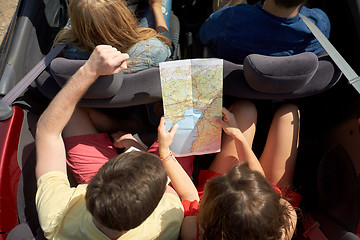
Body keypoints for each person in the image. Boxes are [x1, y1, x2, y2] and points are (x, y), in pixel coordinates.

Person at [35, 45, 184, 240]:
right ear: (150, 212)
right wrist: (138, 149)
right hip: (154, 165)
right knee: (182, 118)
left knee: (70, 111)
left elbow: (47, 132)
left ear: (94, 183)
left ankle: (124, 124)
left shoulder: (57, 218)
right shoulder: (169, 220)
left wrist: (89, 70)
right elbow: (170, 190)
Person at [157, 100, 301, 239]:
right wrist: (238, 137)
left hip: (241, 198)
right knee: (288, 113)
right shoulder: (285, 222)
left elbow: (190, 194)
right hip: (262, 199)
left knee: (248, 109)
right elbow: (260, 181)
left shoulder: (193, 231)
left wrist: (164, 152)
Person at [54, 0, 173, 73]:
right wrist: (155, 6)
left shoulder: (67, 48)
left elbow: (73, 22)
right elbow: (168, 46)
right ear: (122, 15)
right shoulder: (150, 50)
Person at [198, 0, 330, 63]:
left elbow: (202, 35)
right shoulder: (319, 23)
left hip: (238, 88)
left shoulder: (230, 19)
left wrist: (231, 6)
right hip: (288, 93)